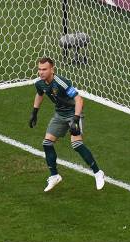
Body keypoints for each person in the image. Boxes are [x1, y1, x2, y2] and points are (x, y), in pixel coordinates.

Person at [29, 57, 105, 192]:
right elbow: (40, 94)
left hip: (73, 114)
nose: (41, 72)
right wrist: (34, 112)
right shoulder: (40, 83)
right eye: (39, 69)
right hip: (59, 114)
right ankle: (54, 176)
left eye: (44, 69)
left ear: (52, 69)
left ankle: (98, 173)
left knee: (76, 144)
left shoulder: (61, 83)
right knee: (47, 143)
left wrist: (75, 119)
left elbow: (79, 100)